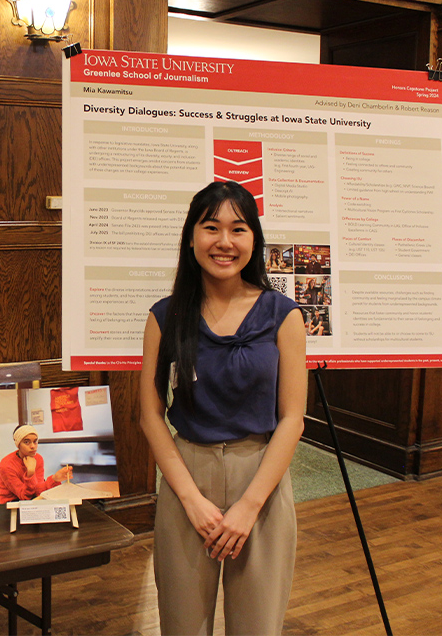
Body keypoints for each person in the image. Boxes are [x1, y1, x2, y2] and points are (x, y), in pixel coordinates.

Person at [140, 181, 306, 636]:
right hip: (186, 474)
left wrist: (250, 505)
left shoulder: (283, 315)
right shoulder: (165, 316)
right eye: (211, 227)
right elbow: (150, 414)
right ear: (191, 236)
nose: (225, 242)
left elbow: (293, 416)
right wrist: (191, 501)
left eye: (239, 228)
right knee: (182, 623)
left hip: (261, 475)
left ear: (254, 239)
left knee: (258, 624)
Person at [0, 425, 73, 504]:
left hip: (30, 499)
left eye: (35, 441)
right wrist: (30, 473)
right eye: (26, 442)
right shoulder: (6, 464)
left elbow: (38, 491)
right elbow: (24, 497)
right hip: (7, 503)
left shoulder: (38, 458)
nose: (33, 446)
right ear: (18, 444)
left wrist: (55, 479)